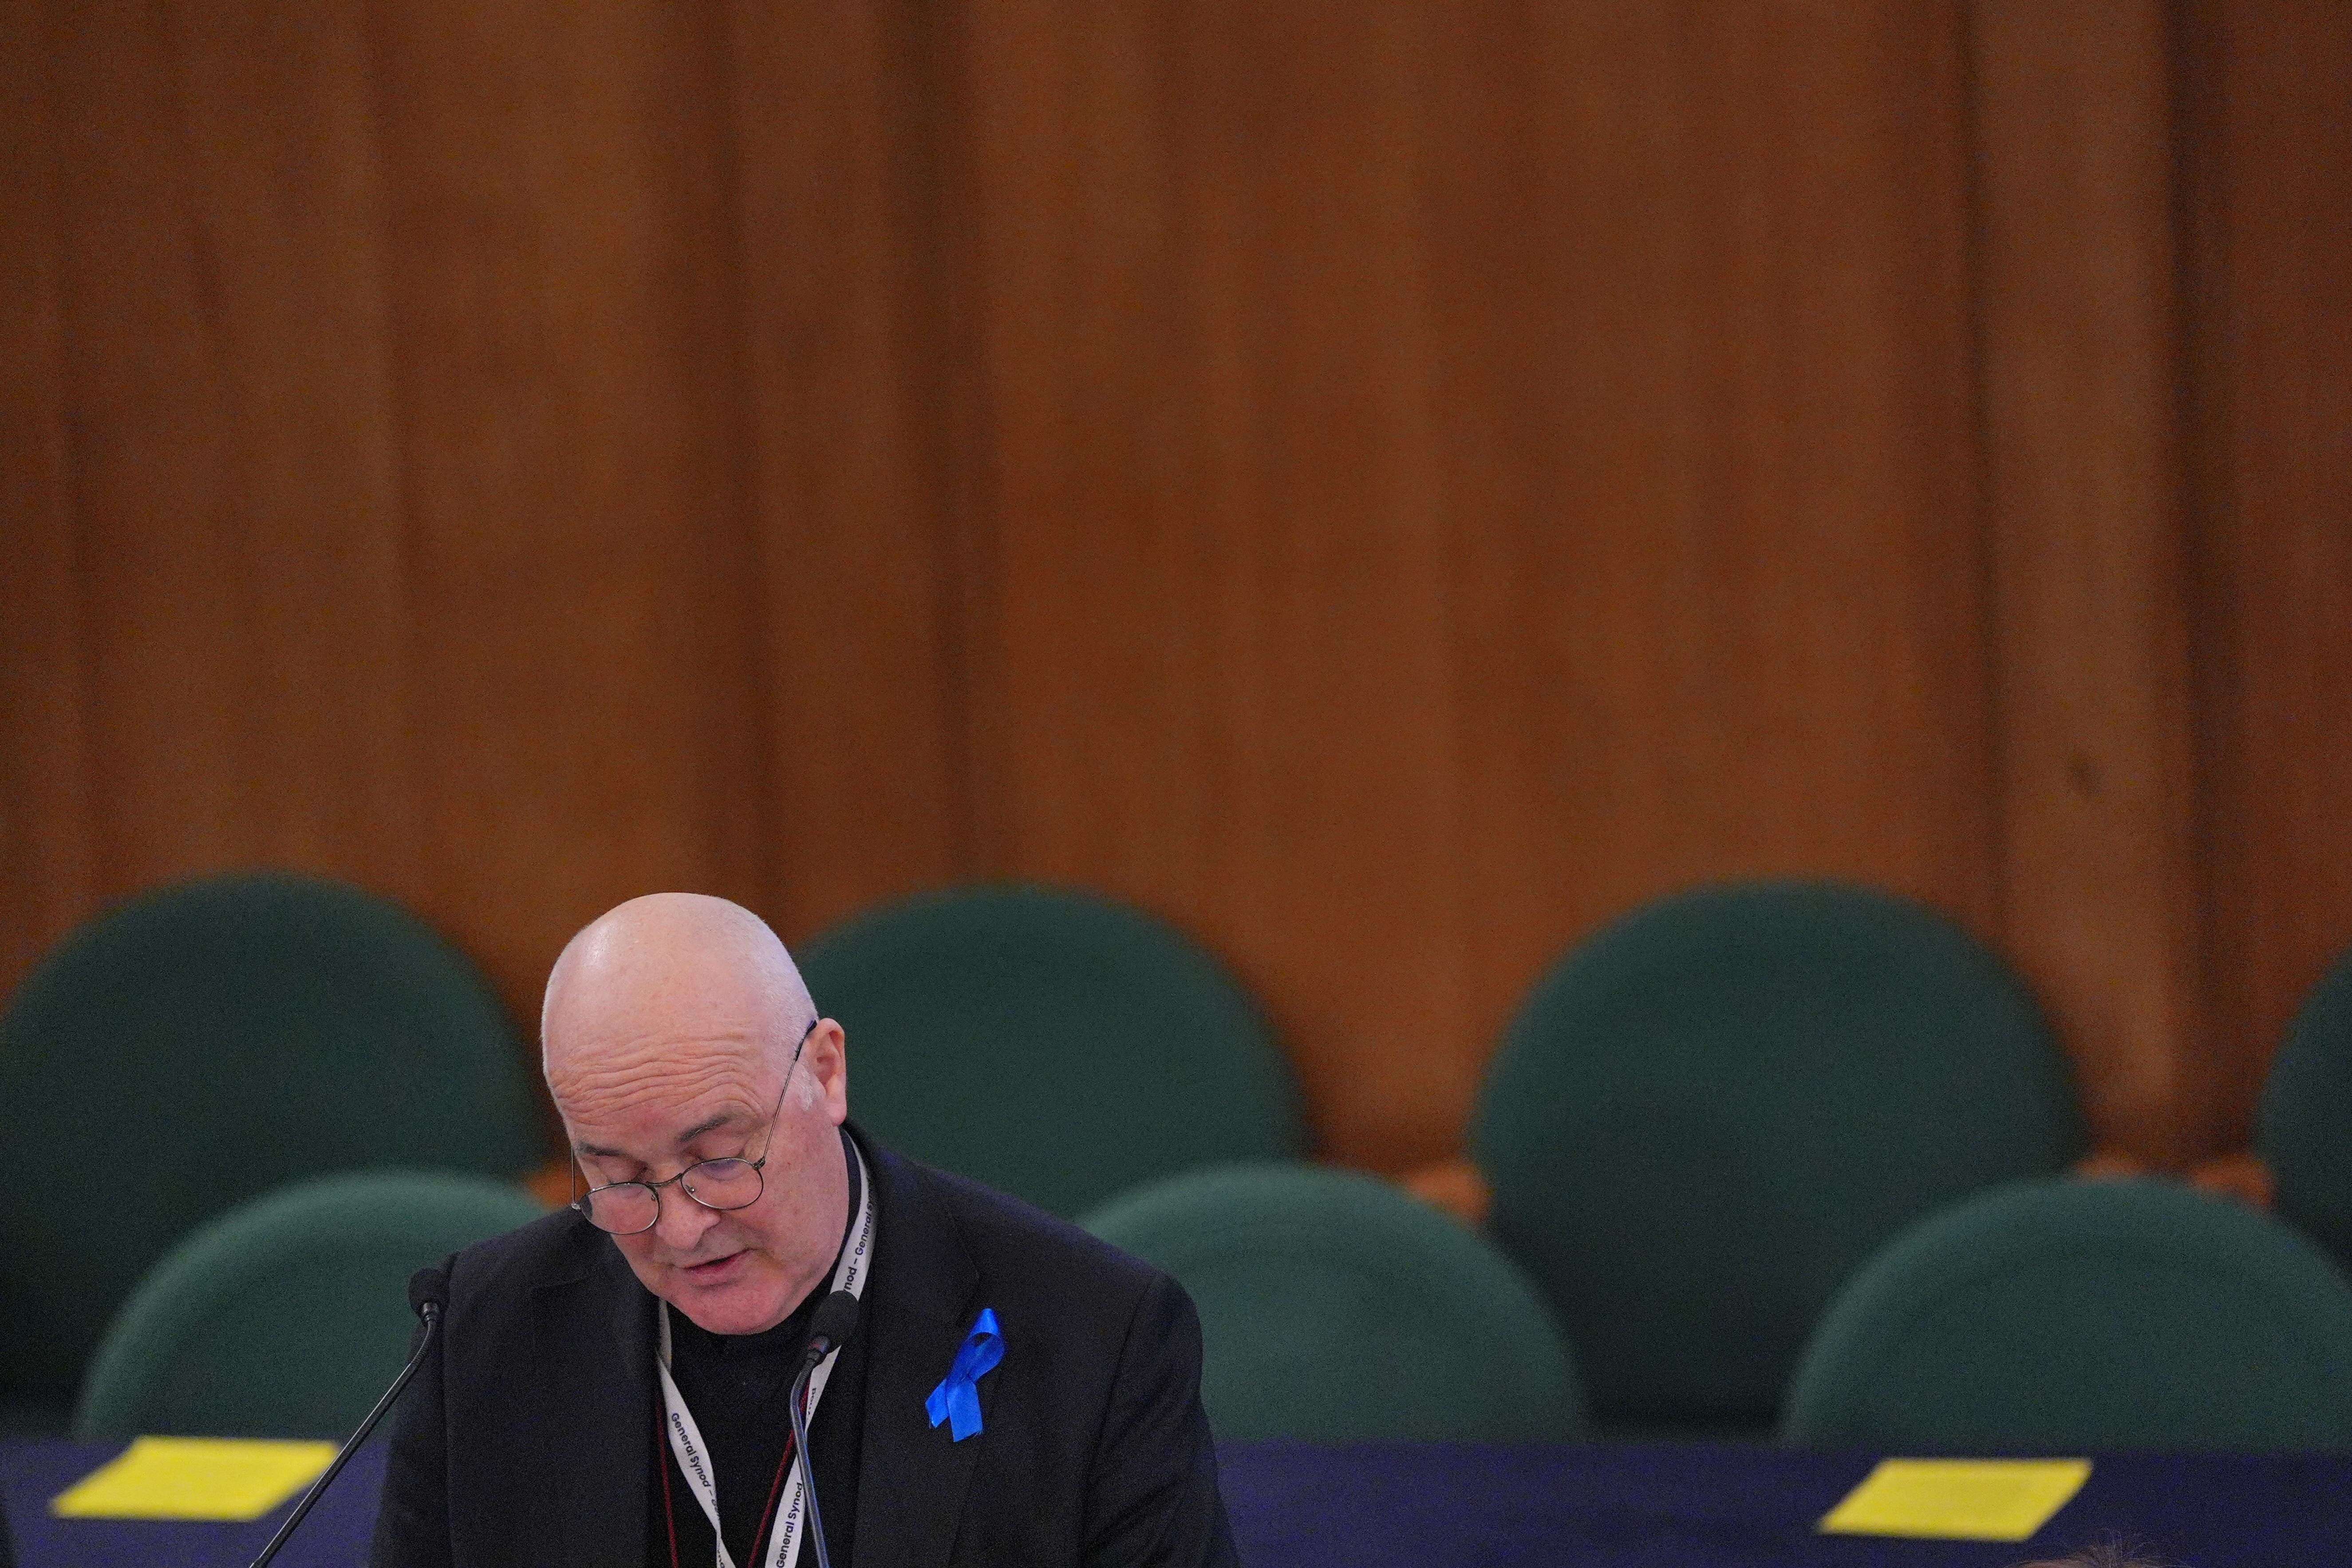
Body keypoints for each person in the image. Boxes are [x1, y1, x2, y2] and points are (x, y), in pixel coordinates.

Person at [371, 893, 1236, 1568]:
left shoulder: (1092, 1334)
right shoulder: (483, 1330)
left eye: (717, 1158)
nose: (679, 1229)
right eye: (619, 1177)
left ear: (825, 1072)